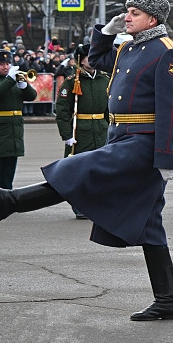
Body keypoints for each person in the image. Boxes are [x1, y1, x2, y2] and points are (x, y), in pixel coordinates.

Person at [0, 0, 173, 321]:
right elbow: (98, 59)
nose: (128, 16)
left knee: (79, 168)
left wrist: (167, 157)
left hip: (143, 143)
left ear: (153, 19)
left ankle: (13, 202)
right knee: (150, 224)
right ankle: (166, 301)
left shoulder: (168, 53)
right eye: (127, 11)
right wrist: (105, 32)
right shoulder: (128, 47)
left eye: (134, 12)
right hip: (121, 136)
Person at [53, 44, 109, 218]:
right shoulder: (72, 82)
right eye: (87, 57)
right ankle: (79, 205)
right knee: (80, 170)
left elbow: (110, 109)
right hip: (81, 131)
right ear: (80, 60)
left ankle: (97, 202)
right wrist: (67, 135)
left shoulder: (105, 79)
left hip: (101, 129)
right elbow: (62, 112)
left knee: (101, 169)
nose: (91, 60)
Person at [0, 49, 38, 188]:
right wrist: (10, 80)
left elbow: (32, 96)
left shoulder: (13, 79)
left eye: (7, 63)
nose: (5, 66)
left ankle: (7, 197)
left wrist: (24, 86)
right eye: (1, 63)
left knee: (9, 168)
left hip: (14, 129)